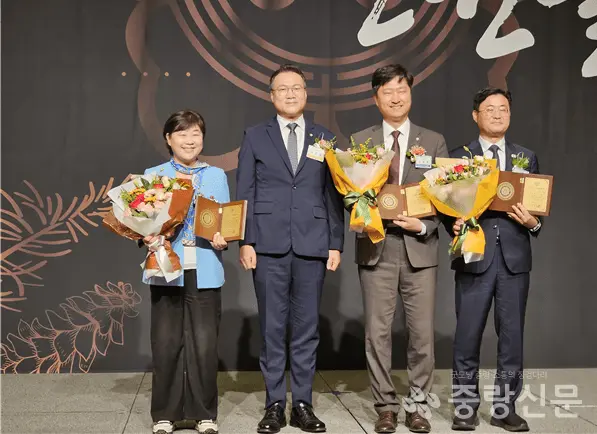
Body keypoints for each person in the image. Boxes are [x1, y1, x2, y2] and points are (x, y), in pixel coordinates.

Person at [236, 64, 345, 433]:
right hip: (267, 243)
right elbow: (245, 191)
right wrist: (246, 240)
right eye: (282, 89)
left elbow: (333, 195)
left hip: (313, 243)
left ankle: (302, 404)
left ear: (305, 93)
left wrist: (335, 243)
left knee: (306, 329)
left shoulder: (325, 137)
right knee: (272, 328)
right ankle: (273, 405)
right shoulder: (255, 135)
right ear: (271, 95)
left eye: (296, 87)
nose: (290, 94)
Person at [351, 64, 448, 434]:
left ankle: (417, 406)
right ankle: (386, 407)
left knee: (422, 334)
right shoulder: (360, 140)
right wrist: (363, 213)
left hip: (419, 247)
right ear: (376, 98)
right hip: (376, 246)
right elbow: (349, 192)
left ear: (410, 93)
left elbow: (446, 198)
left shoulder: (433, 141)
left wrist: (422, 225)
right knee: (377, 334)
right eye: (387, 91)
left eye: (401, 90)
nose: (395, 97)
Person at [447, 88, 542, 432]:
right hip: (474, 256)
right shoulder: (459, 157)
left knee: (512, 338)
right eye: (490, 109)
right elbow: (446, 206)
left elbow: (537, 205)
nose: (498, 114)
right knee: (467, 336)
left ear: (510, 115)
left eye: (504, 109)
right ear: (476, 115)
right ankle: (465, 407)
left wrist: (533, 223)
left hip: (514, 261)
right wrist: (452, 222)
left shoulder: (525, 156)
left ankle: (505, 408)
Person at [142, 110, 229, 434]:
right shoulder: (155, 175)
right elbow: (142, 221)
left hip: (205, 267)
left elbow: (225, 222)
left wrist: (223, 239)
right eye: (182, 134)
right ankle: (165, 414)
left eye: (195, 134)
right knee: (166, 342)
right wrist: (146, 235)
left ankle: (205, 413)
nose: (189, 140)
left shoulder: (217, 176)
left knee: (204, 344)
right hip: (167, 267)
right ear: (168, 139)